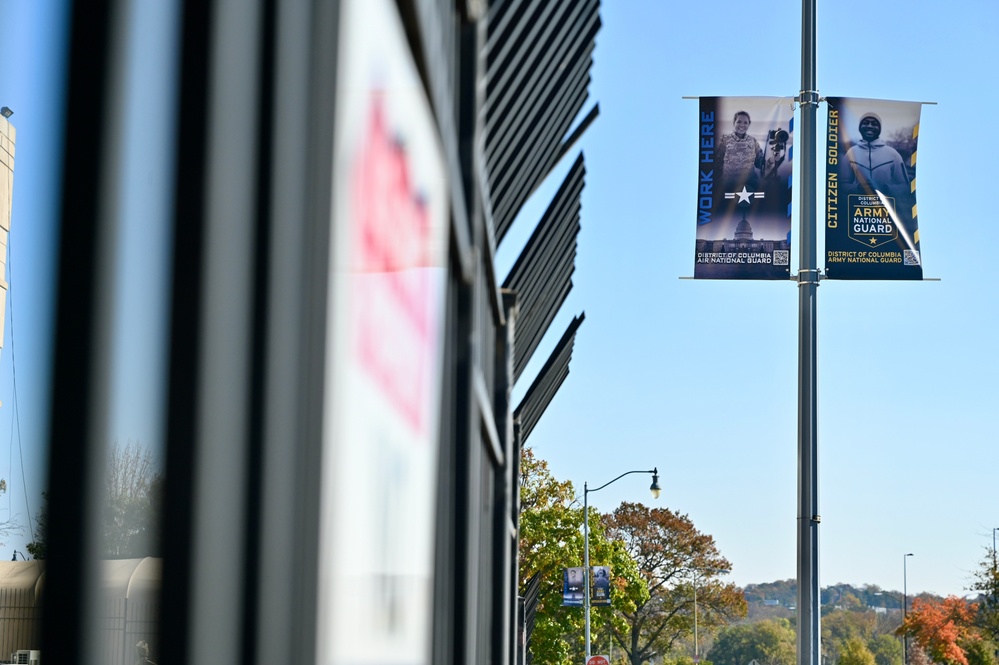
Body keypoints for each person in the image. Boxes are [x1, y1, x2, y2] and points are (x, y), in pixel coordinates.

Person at [843, 112, 909, 195]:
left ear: (879, 129)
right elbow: (841, 185)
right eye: (865, 123)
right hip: (856, 206)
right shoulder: (851, 153)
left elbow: (905, 186)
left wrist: (886, 188)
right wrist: (857, 188)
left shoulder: (893, 154)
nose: (870, 126)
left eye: (874, 124)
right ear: (860, 128)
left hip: (885, 206)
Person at [716, 110, 764, 192]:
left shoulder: (753, 141)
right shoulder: (724, 139)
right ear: (734, 123)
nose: (742, 125)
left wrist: (772, 161)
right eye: (739, 122)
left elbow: (760, 163)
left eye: (745, 123)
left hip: (749, 185)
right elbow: (717, 163)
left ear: (749, 124)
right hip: (729, 185)